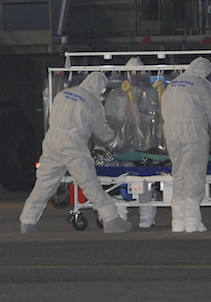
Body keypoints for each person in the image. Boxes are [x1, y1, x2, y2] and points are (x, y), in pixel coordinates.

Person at [20, 72, 132, 234]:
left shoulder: (63, 93)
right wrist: (116, 141)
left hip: (52, 139)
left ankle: (28, 221)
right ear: (100, 87)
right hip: (73, 144)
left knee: (45, 182)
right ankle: (111, 219)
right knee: (89, 182)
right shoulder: (92, 103)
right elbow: (101, 131)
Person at [161, 57, 211, 232]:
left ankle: (177, 220)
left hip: (171, 132)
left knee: (178, 171)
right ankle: (192, 220)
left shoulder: (172, 84)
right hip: (192, 131)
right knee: (194, 171)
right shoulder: (201, 84)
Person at [103, 57, 161, 227]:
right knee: (121, 181)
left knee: (146, 182)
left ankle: (146, 218)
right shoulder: (117, 94)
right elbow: (110, 118)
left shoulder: (150, 93)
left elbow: (155, 118)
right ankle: (122, 215)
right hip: (125, 146)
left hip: (144, 146)